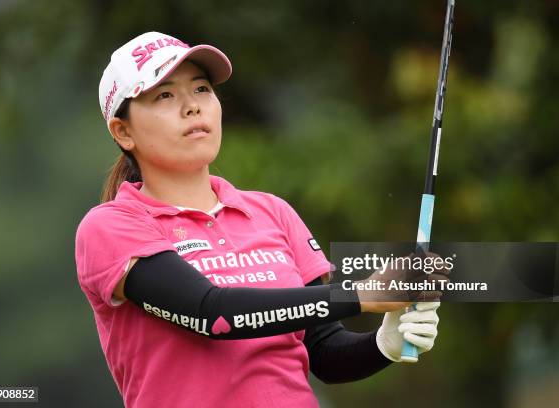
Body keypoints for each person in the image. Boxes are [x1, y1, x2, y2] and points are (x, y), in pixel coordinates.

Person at [75, 31, 448, 408]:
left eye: (202, 89)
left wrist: (383, 344)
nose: (192, 106)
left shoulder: (273, 212)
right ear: (123, 132)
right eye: (165, 95)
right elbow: (215, 315)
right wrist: (362, 295)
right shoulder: (111, 227)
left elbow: (324, 353)